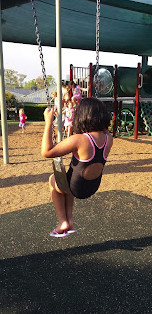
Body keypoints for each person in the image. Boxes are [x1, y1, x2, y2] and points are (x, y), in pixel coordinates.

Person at [41, 97, 113, 238]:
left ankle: (62, 221)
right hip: (91, 187)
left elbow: (46, 151)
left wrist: (49, 122)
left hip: (75, 188)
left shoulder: (80, 139)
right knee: (68, 180)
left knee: (52, 180)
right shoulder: (108, 138)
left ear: (82, 116)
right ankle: (70, 222)